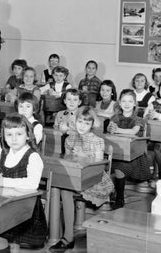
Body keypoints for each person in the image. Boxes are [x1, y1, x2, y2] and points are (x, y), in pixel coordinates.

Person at [0, 114, 47, 252]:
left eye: (19, 134)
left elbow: (32, 184)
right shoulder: (0, 152)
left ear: (28, 135)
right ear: (3, 136)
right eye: (9, 135)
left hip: (24, 209)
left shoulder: (33, 157)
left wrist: (3, 181)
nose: (13, 139)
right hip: (2, 204)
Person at [49, 107, 113, 253]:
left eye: (86, 123)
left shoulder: (97, 140)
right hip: (75, 176)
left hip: (94, 178)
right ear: (75, 121)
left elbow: (98, 165)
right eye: (80, 121)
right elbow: (67, 161)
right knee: (56, 185)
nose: (82, 126)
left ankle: (68, 238)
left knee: (65, 191)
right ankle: (54, 231)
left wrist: (83, 155)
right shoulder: (70, 138)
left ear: (92, 125)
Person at [107, 89, 152, 210]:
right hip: (117, 152)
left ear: (134, 104)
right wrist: (111, 128)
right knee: (107, 164)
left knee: (120, 168)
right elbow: (110, 130)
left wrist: (118, 130)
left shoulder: (138, 119)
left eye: (130, 101)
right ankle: (108, 192)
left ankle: (120, 198)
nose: (127, 104)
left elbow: (133, 132)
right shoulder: (115, 117)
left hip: (134, 155)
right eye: (124, 101)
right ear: (120, 103)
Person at [54, 89, 83, 154]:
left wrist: (70, 130)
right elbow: (55, 129)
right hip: (61, 144)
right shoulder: (59, 114)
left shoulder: (82, 115)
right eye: (69, 99)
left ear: (79, 102)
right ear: (65, 101)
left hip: (77, 145)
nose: (71, 102)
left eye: (75, 100)